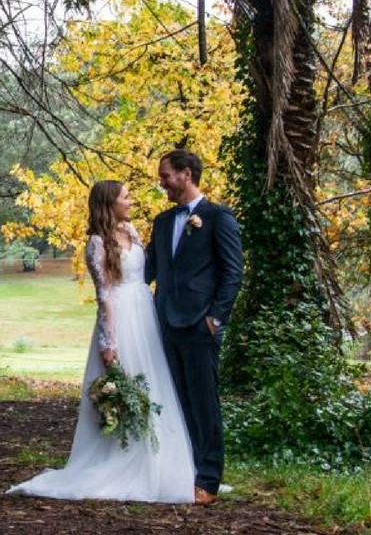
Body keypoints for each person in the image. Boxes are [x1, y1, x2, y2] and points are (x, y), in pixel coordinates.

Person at [6, 180, 196, 503]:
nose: (131, 201)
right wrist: (109, 342)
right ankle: (123, 459)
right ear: (110, 203)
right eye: (125, 197)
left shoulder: (132, 231)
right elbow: (104, 295)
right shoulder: (96, 243)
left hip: (144, 313)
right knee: (126, 382)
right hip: (120, 317)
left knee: (153, 381)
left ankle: (162, 463)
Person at [143, 150, 243, 505]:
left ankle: (208, 481)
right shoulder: (161, 221)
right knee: (176, 402)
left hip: (200, 326)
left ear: (186, 174)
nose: (163, 183)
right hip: (164, 325)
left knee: (204, 404)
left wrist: (215, 318)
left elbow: (233, 272)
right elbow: (148, 271)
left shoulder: (218, 218)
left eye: (166, 176)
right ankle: (183, 472)